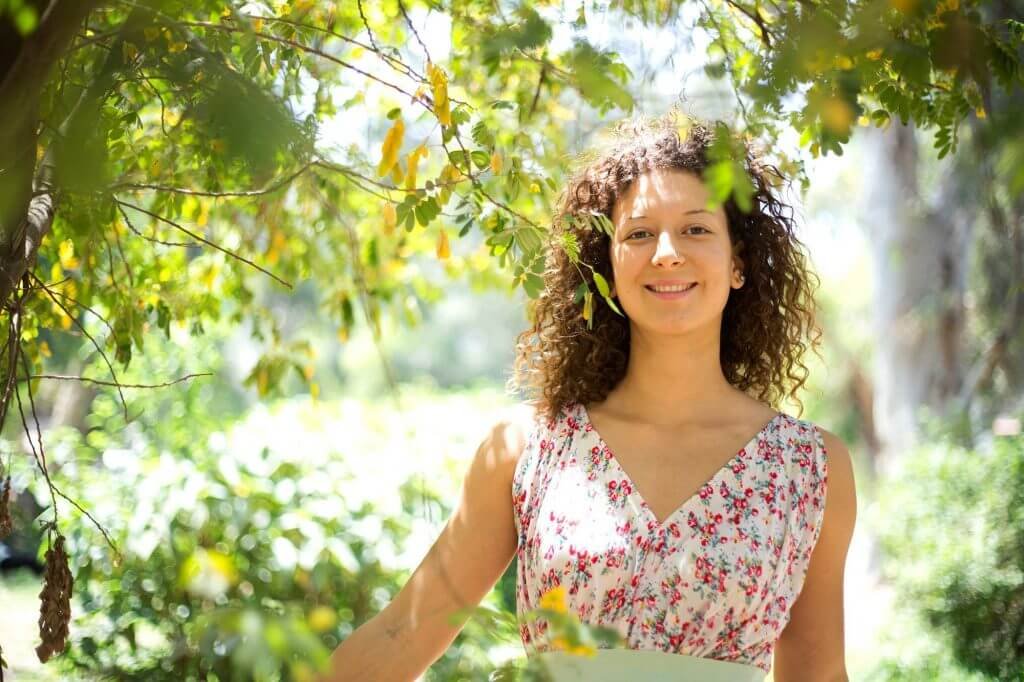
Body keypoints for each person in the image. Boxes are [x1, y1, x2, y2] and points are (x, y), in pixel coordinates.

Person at [320, 111, 857, 681]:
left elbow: (817, 674)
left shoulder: (810, 468)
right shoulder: (527, 449)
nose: (667, 252)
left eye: (696, 229)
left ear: (739, 264)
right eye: (639, 233)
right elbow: (404, 632)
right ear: (609, 266)